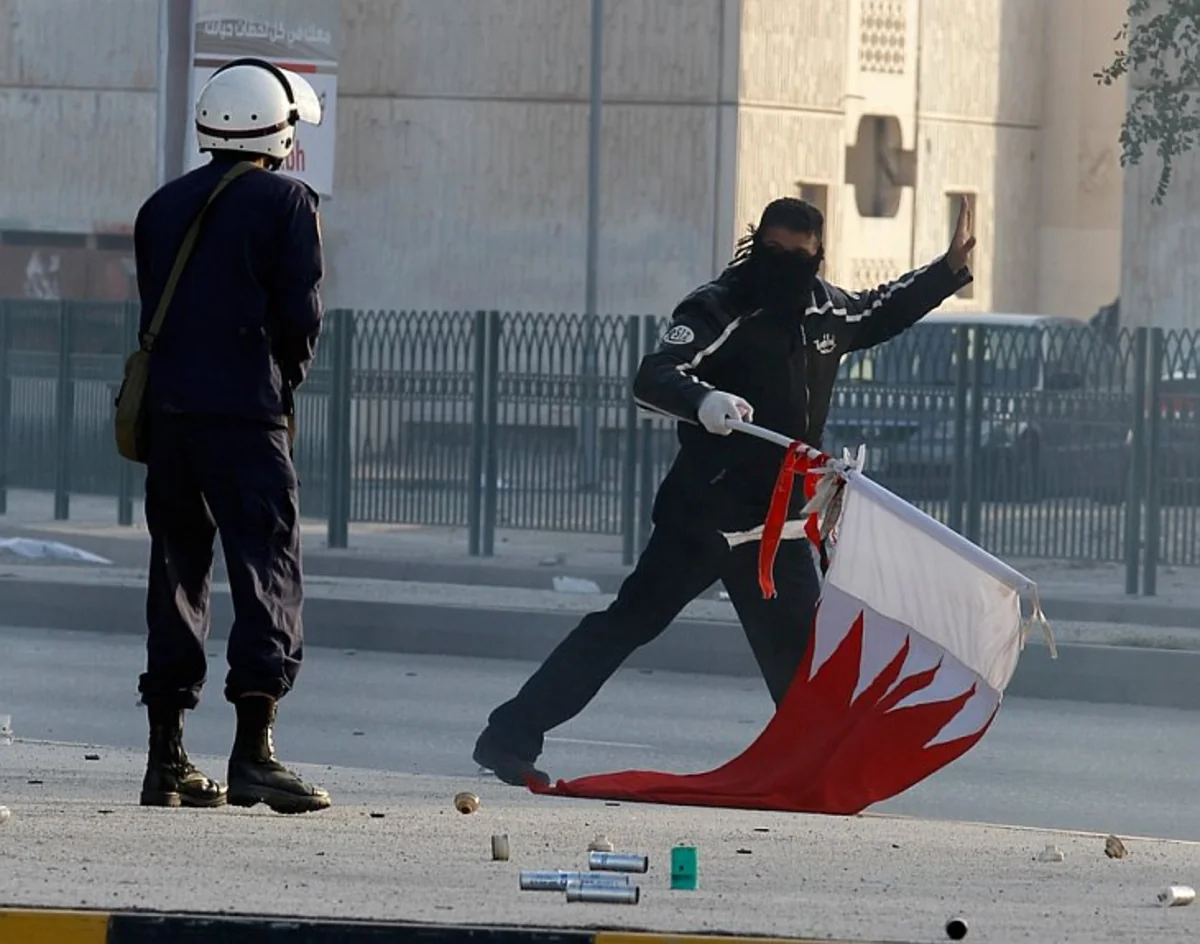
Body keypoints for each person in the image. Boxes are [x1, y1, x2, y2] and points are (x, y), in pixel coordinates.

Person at [473, 195, 977, 786]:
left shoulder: (825, 311)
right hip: (705, 518)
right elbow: (656, 373)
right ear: (754, 242)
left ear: (818, 256)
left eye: (799, 256)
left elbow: (883, 308)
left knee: (800, 658)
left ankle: (813, 773)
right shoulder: (718, 306)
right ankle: (507, 738)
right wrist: (702, 401)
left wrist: (947, 270)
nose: (783, 265)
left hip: (778, 526)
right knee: (625, 626)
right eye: (773, 251)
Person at [131, 57, 330, 814]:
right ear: (277, 128)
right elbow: (300, 320)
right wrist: (281, 384)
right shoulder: (288, 204)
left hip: (171, 421)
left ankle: (166, 759)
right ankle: (254, 754)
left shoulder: (161, 206)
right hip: (246, 417)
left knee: (176, 573)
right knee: (266, 572)